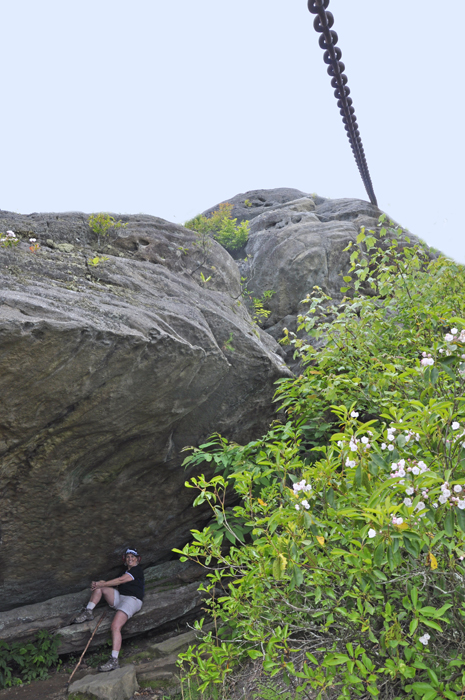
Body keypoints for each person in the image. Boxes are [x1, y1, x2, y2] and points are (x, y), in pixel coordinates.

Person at [73, 548, 145, 672]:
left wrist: (102, 584)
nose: (130, 559)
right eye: (128, 557)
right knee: (101, 585)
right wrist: (99, 584)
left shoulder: (137, 570)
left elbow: (121, 580)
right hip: (120, 598)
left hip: (132, 600)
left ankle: (114, 660)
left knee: (115, 626)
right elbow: (113, 582)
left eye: (133, 556)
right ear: (124, 560)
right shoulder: (123, 572)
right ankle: (88, 611)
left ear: (138, 559)